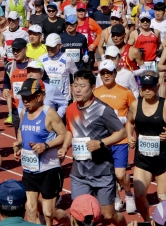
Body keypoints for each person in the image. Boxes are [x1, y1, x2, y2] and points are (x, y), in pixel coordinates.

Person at [61, 70, 127, 226]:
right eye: (75, 85)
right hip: (80, 173)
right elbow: (70, 131)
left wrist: (101, 143)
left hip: (102, 172)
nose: (77, 90)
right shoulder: (71, 109)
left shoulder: (103, 110)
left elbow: (121, 132)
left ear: (92, 88)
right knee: (79, 215)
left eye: (82, 86)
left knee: (108, 215)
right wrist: (64, 147)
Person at [126, 72, 166, 221]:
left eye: (150, 87)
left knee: (163, 198)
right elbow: (129, 122)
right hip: (142, 159)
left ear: (157, 87)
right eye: (144, 87)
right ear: (141, 89)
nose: (147, 90)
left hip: (161, 160)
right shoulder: (135, 105)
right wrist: (130, 135)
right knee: (138, 194)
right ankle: (147, 221)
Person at [13, 78, 68, 226]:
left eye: (28, 97)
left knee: (49, 213)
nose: (25, 101)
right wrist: (19, 144)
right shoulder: (24, 111)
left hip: (48, 169)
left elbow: (64, 134)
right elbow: (21, 130)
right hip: (29, 169)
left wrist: (46, 145)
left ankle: (69, 222)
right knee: (30, 209)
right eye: (23, 97)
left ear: (39, 96)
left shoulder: (49, 113)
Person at [93, 59, 136, 213]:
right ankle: (117, 197)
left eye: (109, 73)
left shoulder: (126, 92)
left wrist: (130, 133)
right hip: (103, 140)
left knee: (120, 173)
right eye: (103, 73)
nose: (106, 76)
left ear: (114, 74)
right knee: (109, 173)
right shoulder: (95, 93)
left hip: (120, 139)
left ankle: (129, 195)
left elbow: (134, 113)